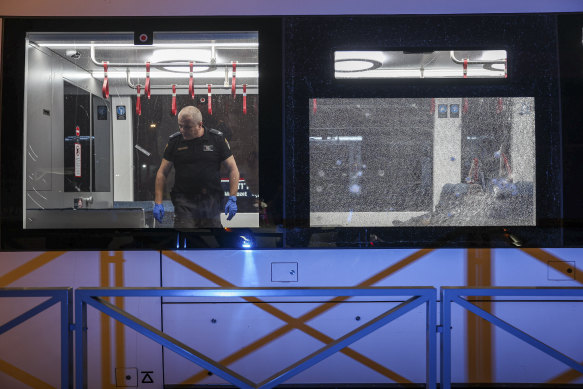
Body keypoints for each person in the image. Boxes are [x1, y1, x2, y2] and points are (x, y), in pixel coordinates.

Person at [153, 106, 240, 228]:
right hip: (184, 202)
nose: (183, 130)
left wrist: (233, 198)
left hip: (211, 201)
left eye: (187, 127)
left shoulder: (216, 139)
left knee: (210, 240)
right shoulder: (175, 142)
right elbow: (162, 172)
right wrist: (158, 202)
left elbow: (233, 169)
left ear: (200, 125)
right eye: (180, 126)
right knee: (186, 238)